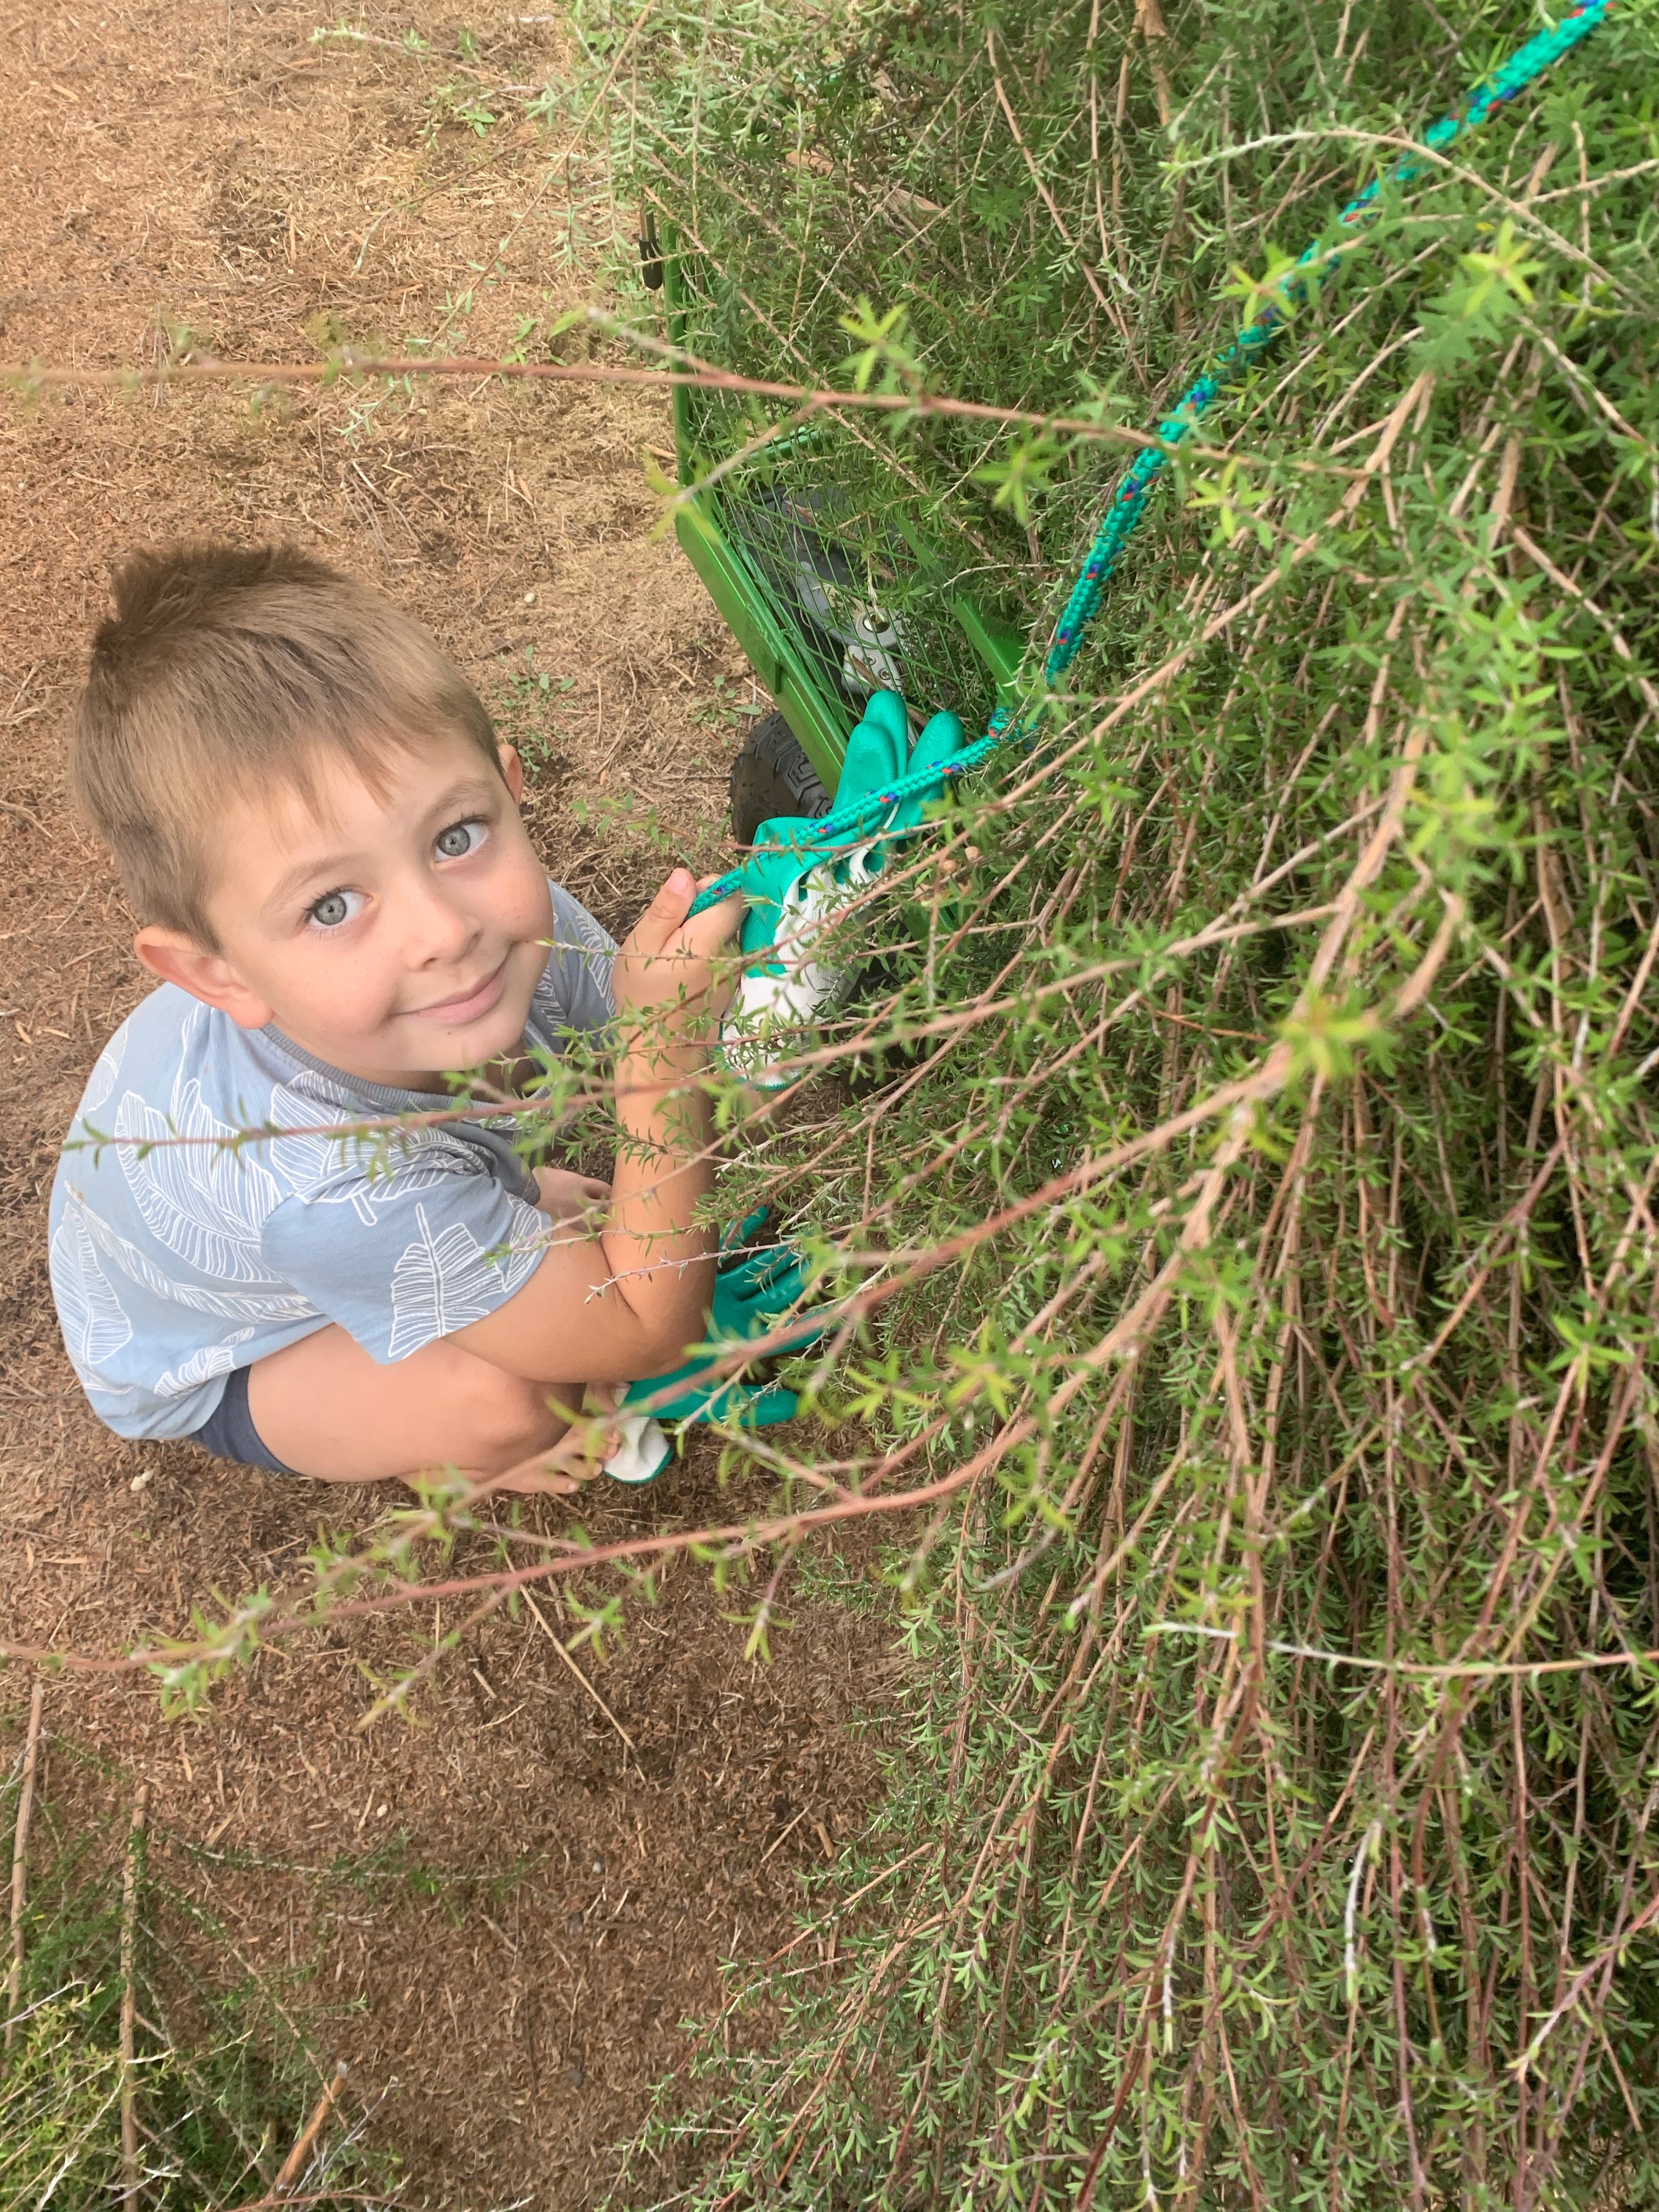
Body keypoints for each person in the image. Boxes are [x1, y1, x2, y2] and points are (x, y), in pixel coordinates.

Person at [48, 543, 741, 1492]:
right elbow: (648, 1329)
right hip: (232, 1346)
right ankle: (459, 1456)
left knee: (583, 1238)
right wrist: (669, 1059)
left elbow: (604, 1059)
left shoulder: (505, 924)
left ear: (508, 789)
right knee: (521, 1401)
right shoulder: (323, 1192)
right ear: (215, 973)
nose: (443, 929)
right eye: (331, 905)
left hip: (304, 1222)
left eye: (456, 836)